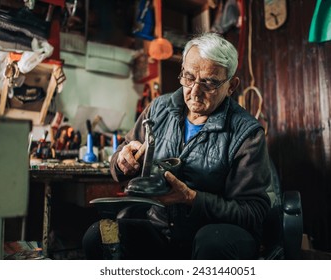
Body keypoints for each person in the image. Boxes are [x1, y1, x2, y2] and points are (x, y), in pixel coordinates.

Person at [83, 32, 272, 260]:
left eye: (209, 82)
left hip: (216, 234)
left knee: (211, 242)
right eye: (189, 78)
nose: (194, 91)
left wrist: (192, 198)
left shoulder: (247, 134)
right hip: (162, 229)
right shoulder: (159, 109)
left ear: (231, 86)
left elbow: (253, 212)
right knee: (98, 236)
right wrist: (123, 162)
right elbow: (119, 160)